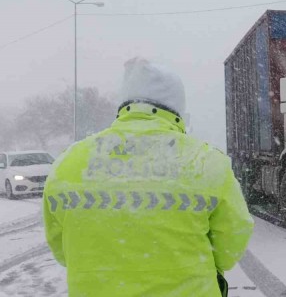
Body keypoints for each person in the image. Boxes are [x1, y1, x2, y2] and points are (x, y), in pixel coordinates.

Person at [43, 57, 254, 297]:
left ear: (124, 104)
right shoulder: (206, 163)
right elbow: (230, 245)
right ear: (176, 107)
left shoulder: (68, 163)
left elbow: (62, 251)